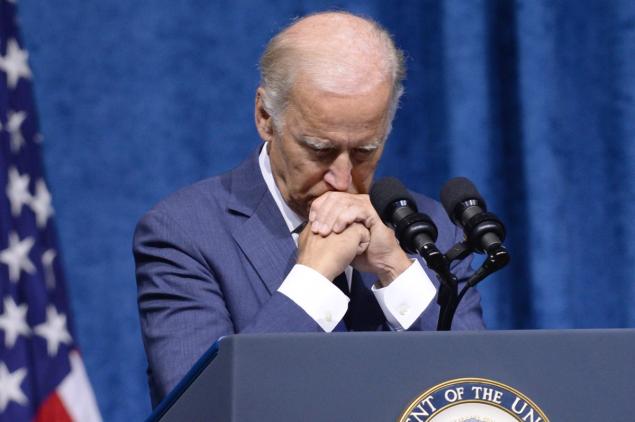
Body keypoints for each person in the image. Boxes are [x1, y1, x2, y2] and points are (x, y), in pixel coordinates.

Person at [134, 11, 484, 406]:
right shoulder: (185, 232)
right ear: (266, 117)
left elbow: (478, 393)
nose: (342, 177)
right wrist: (313, 282)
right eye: (320, 150)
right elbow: (200, 407)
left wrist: (396, 271)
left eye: (365, 151)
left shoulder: (431, 228)